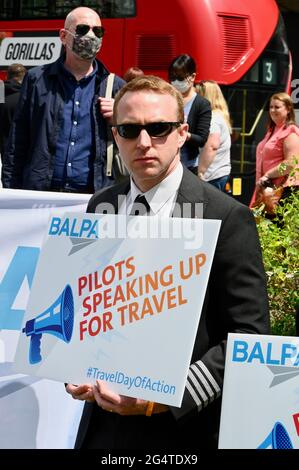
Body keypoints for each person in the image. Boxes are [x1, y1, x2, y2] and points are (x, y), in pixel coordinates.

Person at [66, 75, 269, 449]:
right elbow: (85, 308)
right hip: (102, 428)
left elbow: (248, 337)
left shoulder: (225, 217)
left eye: (158, 129)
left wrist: (165, 399)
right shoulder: (100, 206)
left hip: (183, 431)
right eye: (129, 130)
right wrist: (72, 366)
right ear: (115, 136)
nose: (144, 142)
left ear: (182, 133)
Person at [1, 6, 125, 193]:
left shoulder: (115, 86)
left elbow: (138, 142)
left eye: (98, 31)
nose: (91, 36)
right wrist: (11, 192)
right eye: (83, 29)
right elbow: (18, 140)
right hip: (41, 193)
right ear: (63, 36)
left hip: (92, 196)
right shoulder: (37, 80)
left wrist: (122, 117)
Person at [250, 92, 299, 209]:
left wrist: (268, 174)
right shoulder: (272, 130)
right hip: (268, 191)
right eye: (271, 107)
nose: (272, 110)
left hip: (284, 191)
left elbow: (290, 164)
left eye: (277, 107)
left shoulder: (290, 132)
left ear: (288, 109)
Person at [168, 54, 211, 174]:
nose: (176, 82)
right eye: (172, 77)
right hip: (167, 163)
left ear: (192, 77)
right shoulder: (167, 99)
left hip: (189, 166)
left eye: (180, 78)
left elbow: (202, 139)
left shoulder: (202, 104)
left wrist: (183, 134)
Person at [197, 80, 231, 191]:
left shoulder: (212, 119)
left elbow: (211, 147)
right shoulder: (219, 116)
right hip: (217, 174)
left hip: (210, 176)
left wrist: (200, 172)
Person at [0, 63, 27, 161]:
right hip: (25, 149)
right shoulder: (28, 96)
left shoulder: (1, 94)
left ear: (7, 76)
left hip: (5, 149)